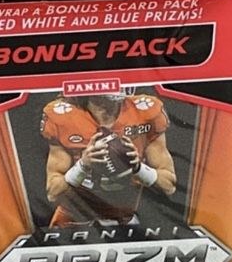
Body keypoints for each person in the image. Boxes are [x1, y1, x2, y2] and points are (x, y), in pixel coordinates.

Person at [41, 87, 176, 225]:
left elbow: (168, 185)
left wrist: (138, 168)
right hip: (75, 221)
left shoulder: (144, 112)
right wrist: (83, 166)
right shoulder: (64, 117)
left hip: (126, 218)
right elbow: (53, 192)